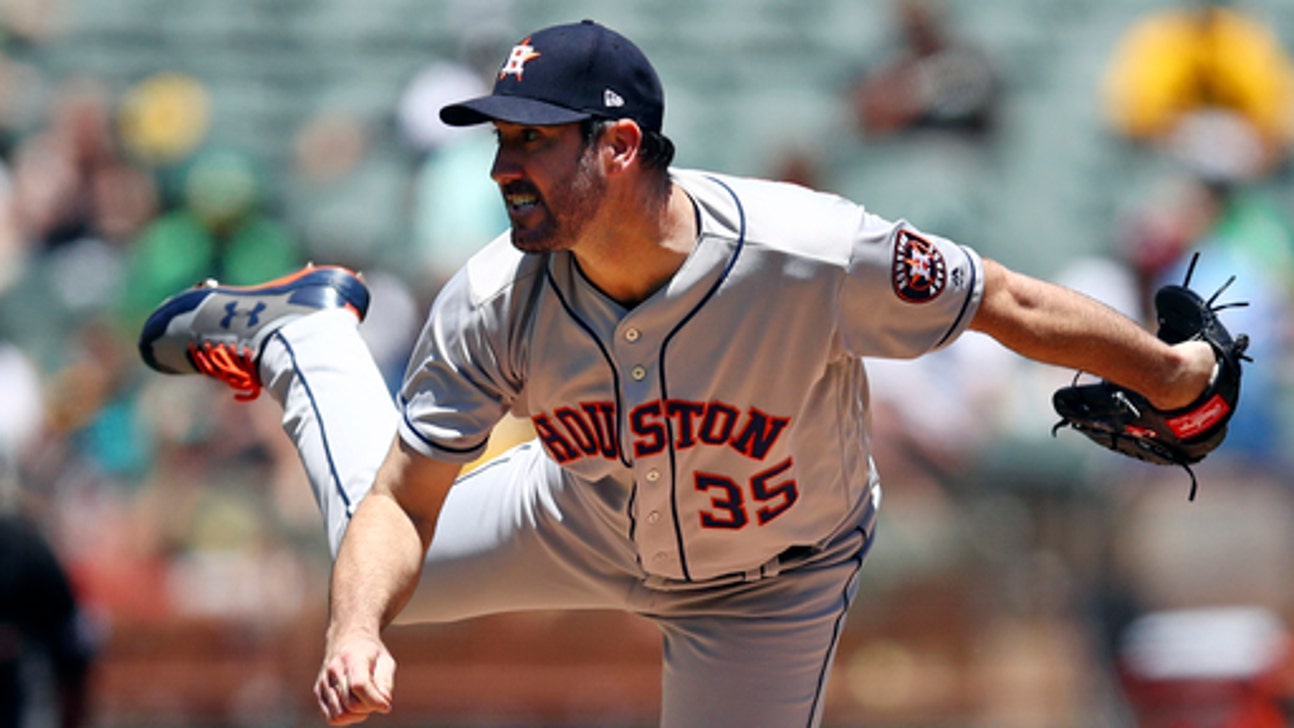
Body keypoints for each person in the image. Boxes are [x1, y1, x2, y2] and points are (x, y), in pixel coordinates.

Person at [137, 20, 1217, 727]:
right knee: (363, 559)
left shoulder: (807, 253)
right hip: (581, 517)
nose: (503, 166)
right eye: (498, 142)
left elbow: (1007, 301)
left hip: (771, 585)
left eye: (531, 141)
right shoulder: (493, 296)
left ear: (616, 145)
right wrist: (356, 630)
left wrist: (1170, 370)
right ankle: (307, 335)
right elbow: (399, 500)